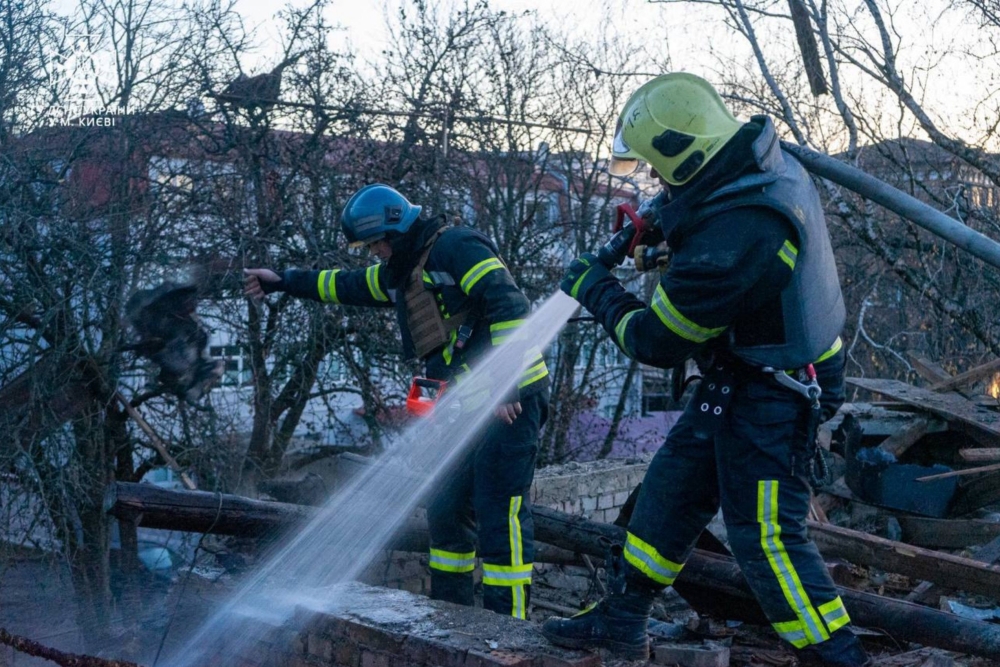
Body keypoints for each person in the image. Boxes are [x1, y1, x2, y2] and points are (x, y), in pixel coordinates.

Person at [542, 73, 869, 666]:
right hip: (742, 377)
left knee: (767, 541)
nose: (654, 181)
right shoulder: (755, 161)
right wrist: (661, 231)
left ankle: (839, 657)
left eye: (659, 168)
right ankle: (622, 620)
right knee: (665, 499)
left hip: (775, 396)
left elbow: (656, 339)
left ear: (685, 152)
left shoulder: (740, 234)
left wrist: (596, 289)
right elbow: (706, 209)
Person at [244, 184, 549, 619]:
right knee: (445, 511)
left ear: (396, 228)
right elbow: (345, 285)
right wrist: (283, 282)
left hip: (510, 402)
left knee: (499, 513)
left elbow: (510, 306)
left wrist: (504, 383)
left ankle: (509, 629)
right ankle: (452, 620)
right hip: (463, 405)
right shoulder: (401, 272)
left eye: (376, 244)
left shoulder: (458, 247)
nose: (376, 254)